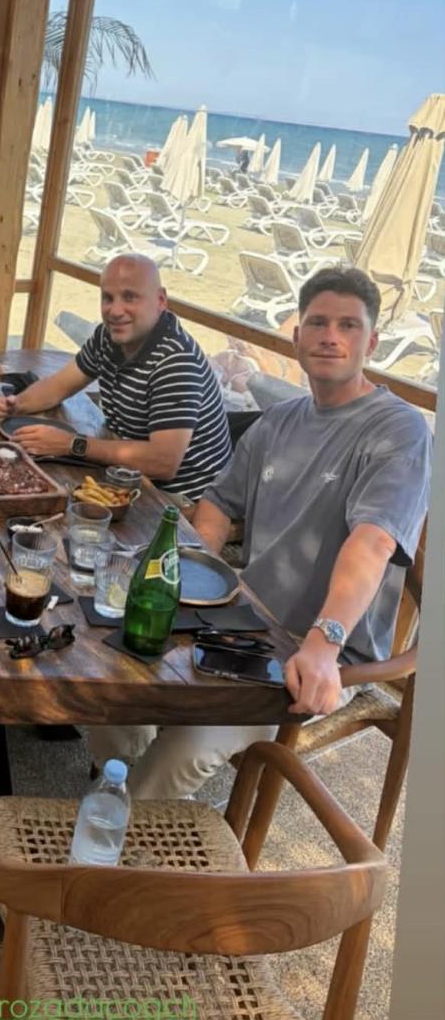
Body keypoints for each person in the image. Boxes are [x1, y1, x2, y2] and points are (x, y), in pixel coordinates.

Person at [93, 267, 431, 792]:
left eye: (348, 325)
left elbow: (374, 542)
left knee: (188, 745)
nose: (330, 336)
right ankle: (128, 796)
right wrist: (191, 578)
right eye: (317, 323)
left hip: (325, 653)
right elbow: (218, 502)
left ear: (372, 343)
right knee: (108, 672)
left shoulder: (398, 429)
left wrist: (324, 642)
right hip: (243, 622)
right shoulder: (279, 420)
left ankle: (118, 829)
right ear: (296, 337)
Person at [0, 253, 232, 501]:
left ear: (160, 300)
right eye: (108, 298)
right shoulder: (108, 336)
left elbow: (163, 463)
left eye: (129, 297)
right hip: (130, 473)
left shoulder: (176, 362)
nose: (115, 311)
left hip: (180, 501)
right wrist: (16, 404)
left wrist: (73, 444)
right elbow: (58, 386)